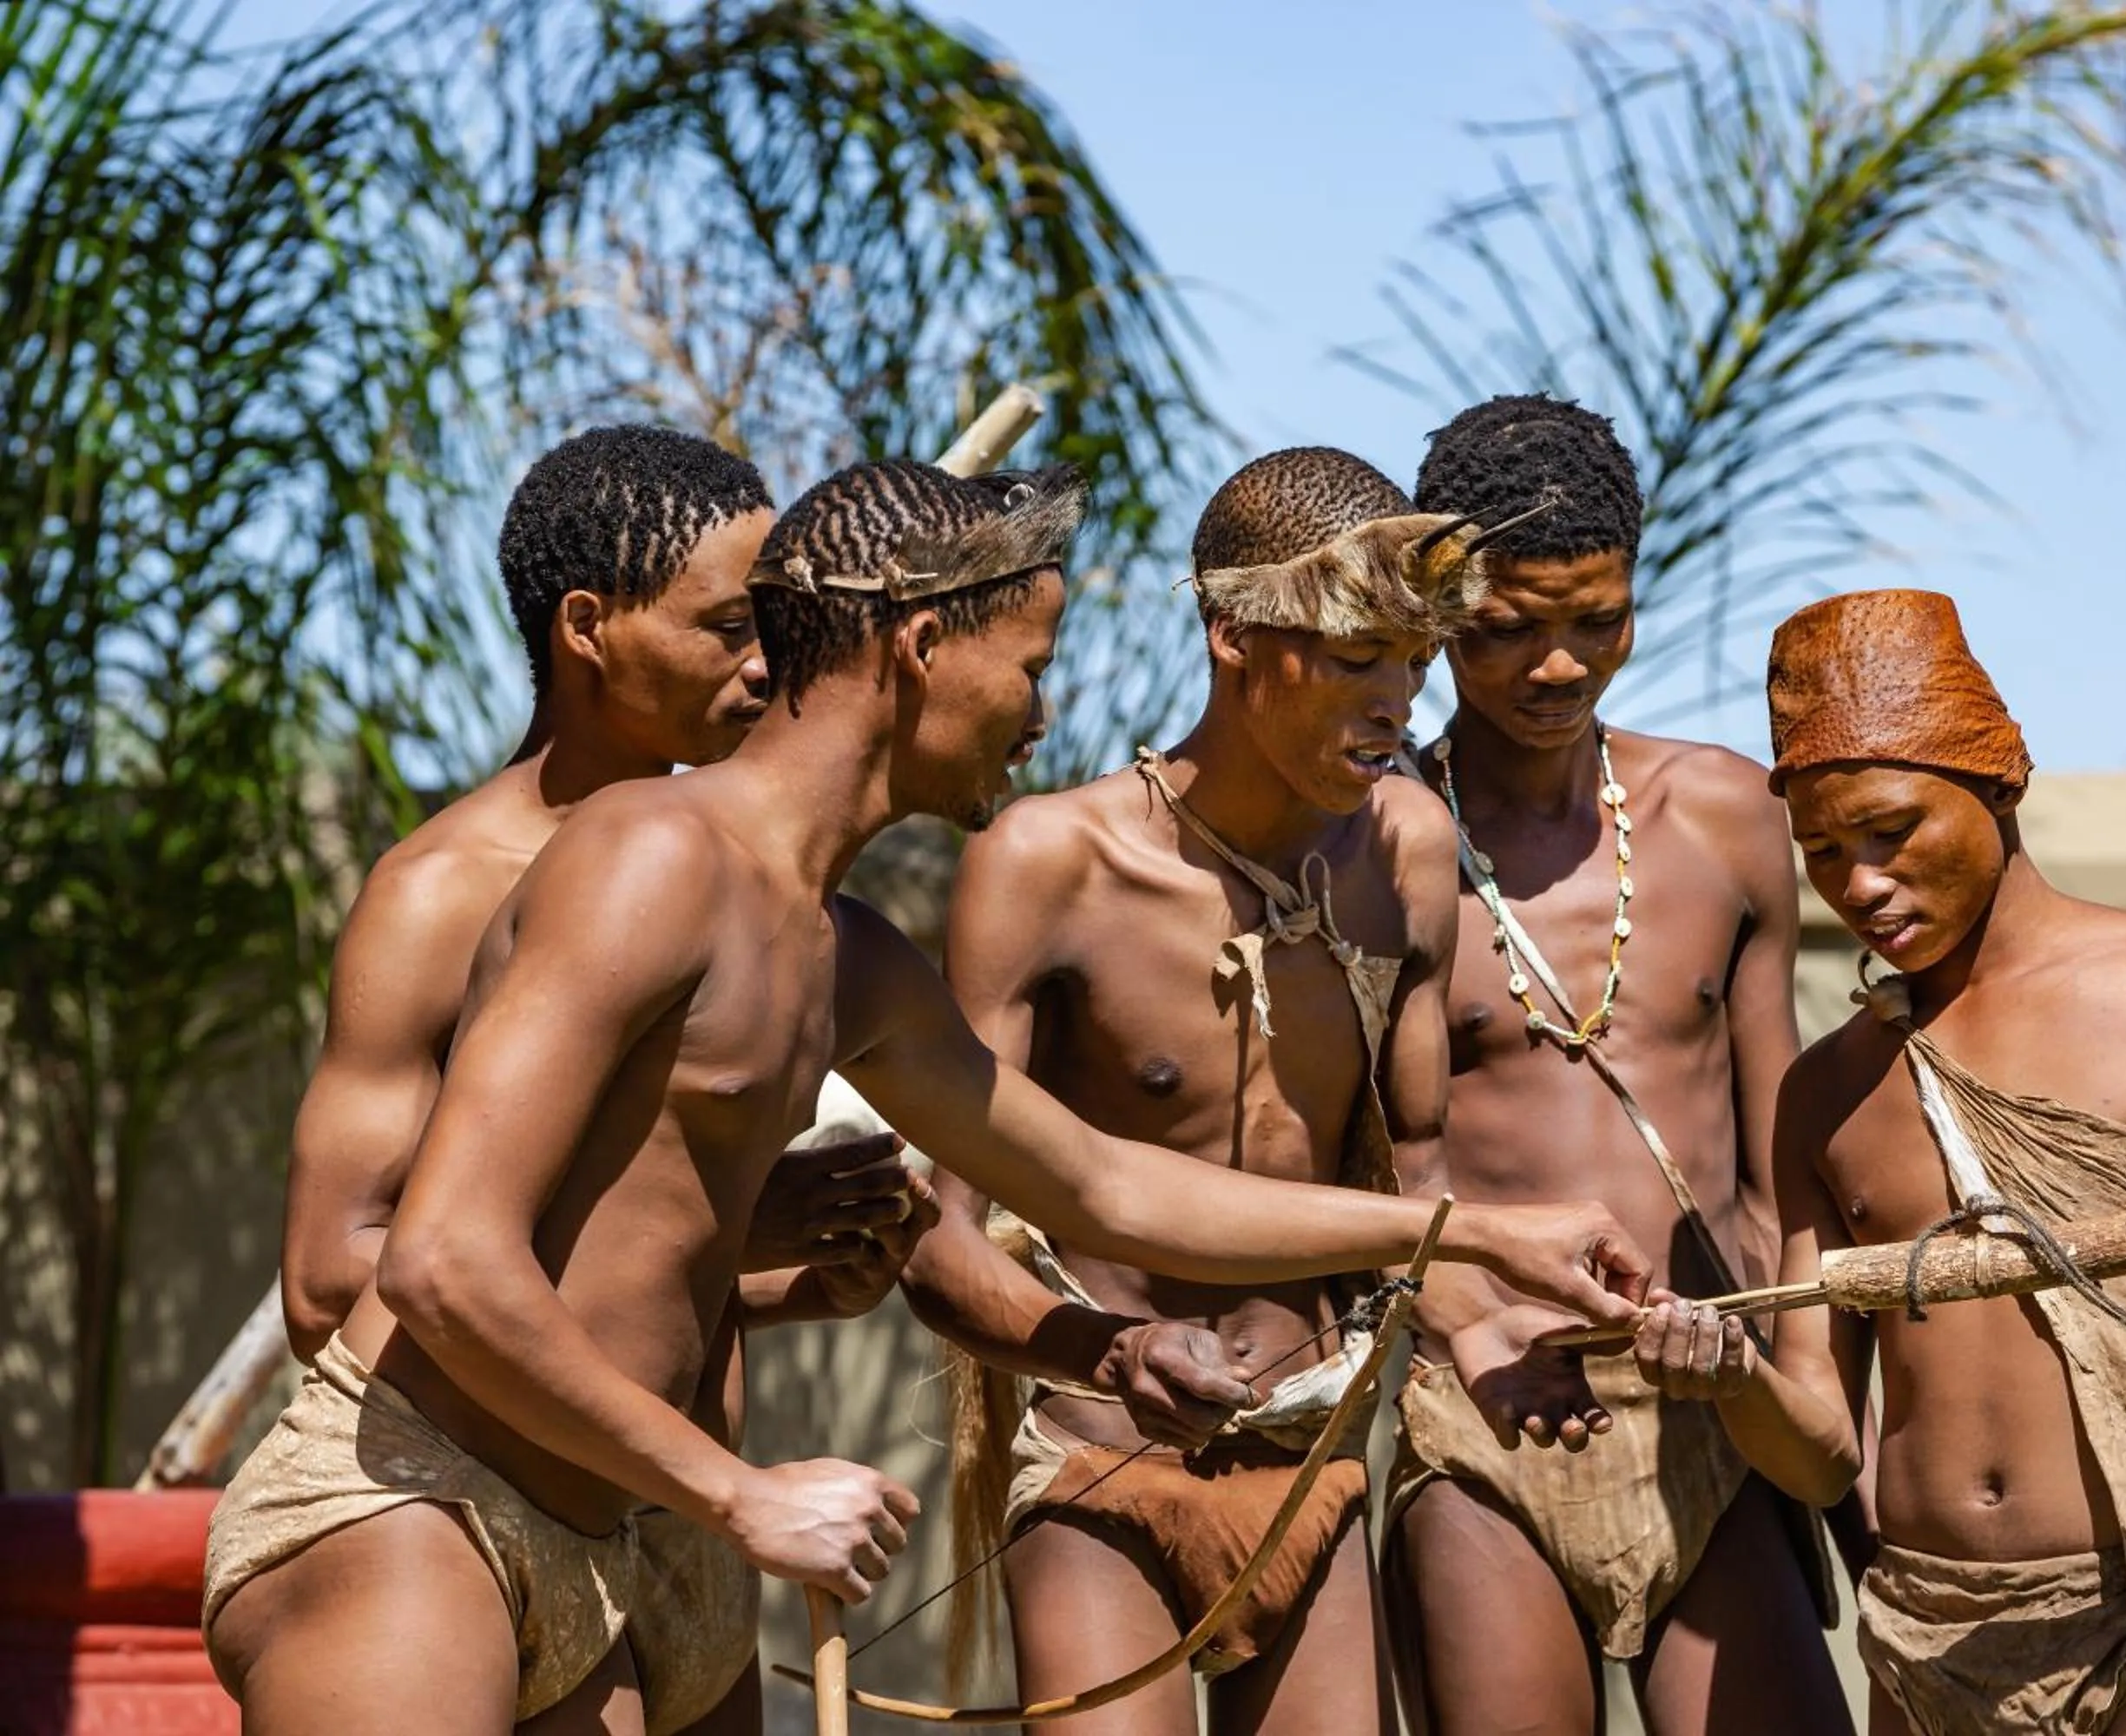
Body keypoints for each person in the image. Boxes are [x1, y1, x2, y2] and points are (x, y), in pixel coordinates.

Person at [204, 457, 1651, 1736]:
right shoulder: (653, 856)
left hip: (625, 1531)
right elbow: (443, 1260)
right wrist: (740, 1493)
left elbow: (1098, 1185)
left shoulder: (846, 953)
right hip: (423, 1499)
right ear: (921, 645)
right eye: (1028, 665)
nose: (1043, 714)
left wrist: (1471, 1237)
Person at [1640, 587, 2126, 1735]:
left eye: (1891, 832)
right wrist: (1732, 1379)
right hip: (1928, 1640)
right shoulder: (1830, 1093)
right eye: (1824, 853)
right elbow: (1817, 1457)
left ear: (1999, 782)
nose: (1859, 885)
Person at [273, 424, 925, 1736]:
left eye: (779, 630)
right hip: (469, 1522)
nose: (762, 665)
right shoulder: (441, 895)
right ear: (588, 625)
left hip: (675, 1540)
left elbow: (612, 1249)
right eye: (726, 627)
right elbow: (329, 1279)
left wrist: (771, 1274)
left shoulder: (745, 885)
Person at [900, 445, 1511, 1734]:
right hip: (1092, 1450)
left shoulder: (1405, 850)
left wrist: (1520, 1331)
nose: (1397, 699)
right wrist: (1112, 1352)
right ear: (1235, 636)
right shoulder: (1050, 862)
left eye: (1414, 661)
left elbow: (1421, 1175)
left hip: (1308, 1442)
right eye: (1357, 658)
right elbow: (938, 1241)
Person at [1379, 396, 1852, 1736]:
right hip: (1489, 1409)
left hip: (1717, 1401)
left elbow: (1779, 1159)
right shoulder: (1378, 846)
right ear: (1436, 607)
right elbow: (1380, 1162)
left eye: (1598, 621)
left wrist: (1797, 1387)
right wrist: (1461, 1331)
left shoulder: (1726, 819)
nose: (1559, 667)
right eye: (1507, 628)